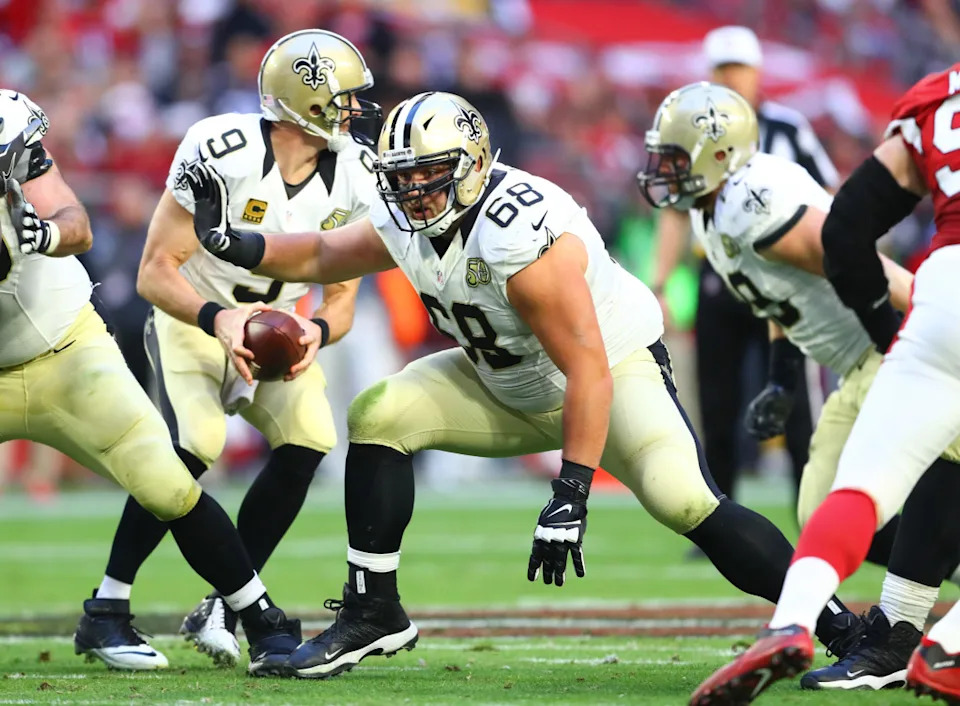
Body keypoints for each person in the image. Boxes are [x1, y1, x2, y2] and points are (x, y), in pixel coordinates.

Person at [187, 90, 863, 679]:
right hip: (499, 380)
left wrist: (569, 497)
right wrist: (232, 244)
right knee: (379, 413)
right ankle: (373, 611)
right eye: (403, 176)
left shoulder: (521, 232)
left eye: (429, 174)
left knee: (687, 503)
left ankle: (838, 628)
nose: (412, 190)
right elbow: (322, 252)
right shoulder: (406, 214)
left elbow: (588, 367)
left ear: (474, 165)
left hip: (608, 376)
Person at [639, 81, 960, 692]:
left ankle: (895, 631)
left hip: (886, 347)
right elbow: (782, 296)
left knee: (875, 497)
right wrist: (783, 376)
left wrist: (917, 340)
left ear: (717, 155)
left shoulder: (749, 201)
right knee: (824, 512)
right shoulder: (715, 210)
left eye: (677, 158)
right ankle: (901, 623)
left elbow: (858, 258)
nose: (665, 171)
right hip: (851, 359)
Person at [77, 29, 380, 670]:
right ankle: (108, 607)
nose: (356, 110)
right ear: (307, 100)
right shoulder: (223, 149)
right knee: (195, 446)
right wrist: (220, 318)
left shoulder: (357, 174)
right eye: (345, 97)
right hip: (195, 316)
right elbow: (155, 271)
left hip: (279, 331)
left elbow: (342, 299)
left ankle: (221, 603)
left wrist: (314, 336)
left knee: (312, 437)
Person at [0, 89, 300, 676]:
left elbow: (77, 224)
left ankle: (260, 620)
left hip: (67, 353)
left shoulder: (22, 158)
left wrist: (41, 236)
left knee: (166, 483)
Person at [652, 26, 839, 514]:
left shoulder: (788, 129)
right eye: (722, 69)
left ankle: (813, 511)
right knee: (717, 405)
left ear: (756, 74)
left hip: (784, 283)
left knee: (798, 402)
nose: (731, 77)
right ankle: (722, 515)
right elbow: (674, 212)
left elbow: (828, 201)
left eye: (739, 69)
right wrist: (660, 282)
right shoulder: (690, 130)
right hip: (721, 281)